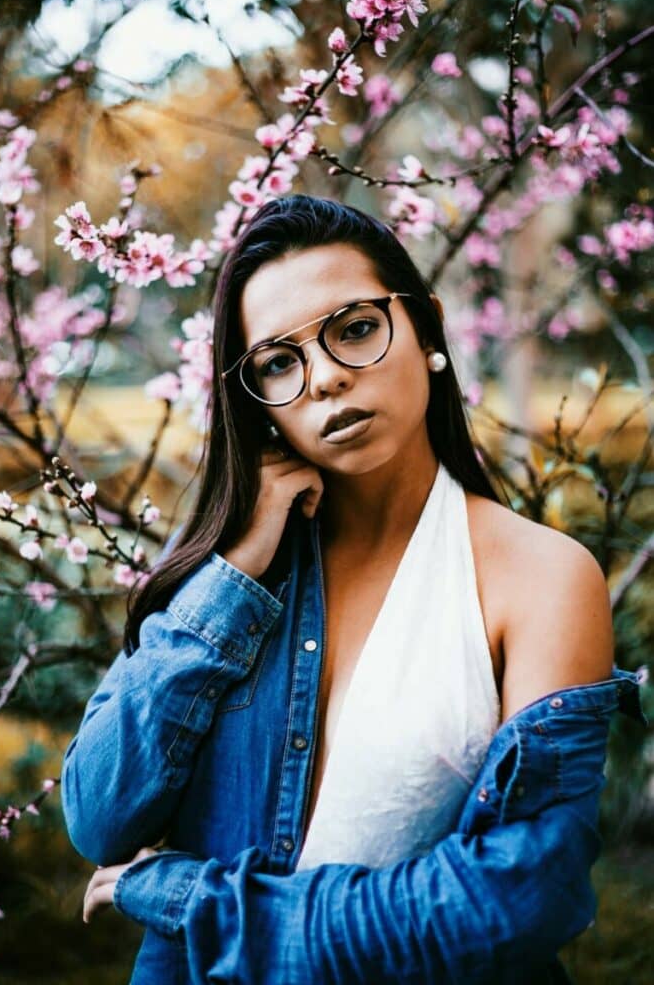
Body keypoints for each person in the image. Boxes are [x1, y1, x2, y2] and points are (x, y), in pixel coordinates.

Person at [62, 194, 645, 985]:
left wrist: (201, 902)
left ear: (426, 329)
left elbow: (520, 897)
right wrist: (230, 578)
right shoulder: (222, 571)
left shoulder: (539, 578)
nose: (327, 379)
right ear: (252, 397)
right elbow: (99, 816)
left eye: (356, 329)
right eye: (278, 361)